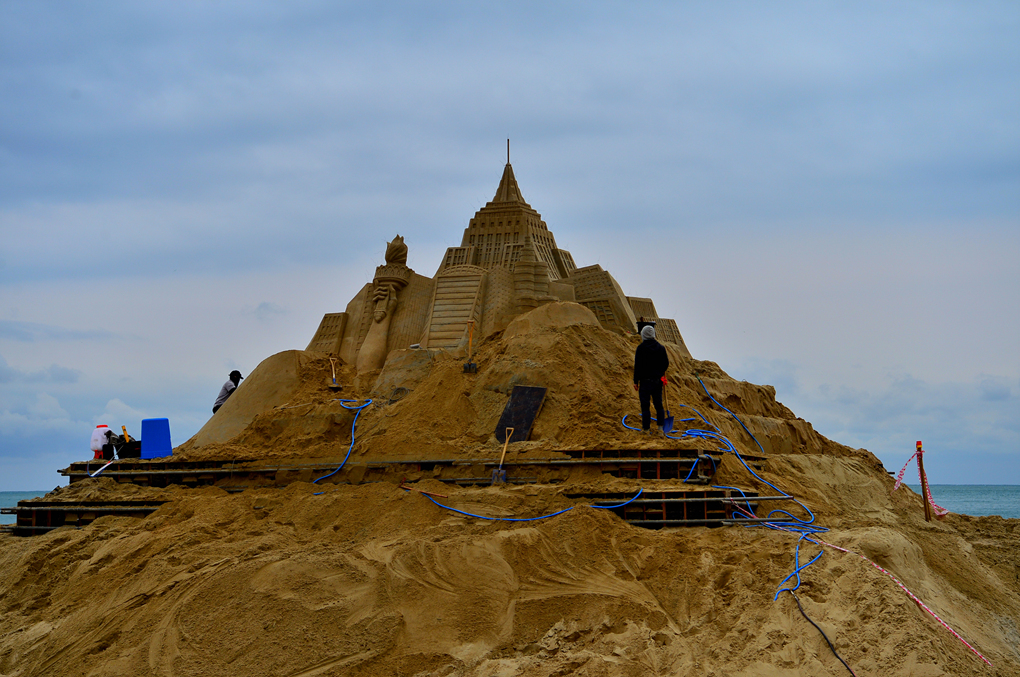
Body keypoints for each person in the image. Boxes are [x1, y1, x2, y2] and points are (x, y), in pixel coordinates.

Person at [633, 325, 669, 434]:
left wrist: (635, 381)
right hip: (657, 381)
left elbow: (638, 366)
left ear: (643, 335)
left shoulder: (641, 348)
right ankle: (660, 429)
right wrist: (660, 372)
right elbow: (665, 364)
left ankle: (646, 429)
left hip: (645, 381)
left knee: (645, 405)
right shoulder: (661, 348)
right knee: (658, 404)